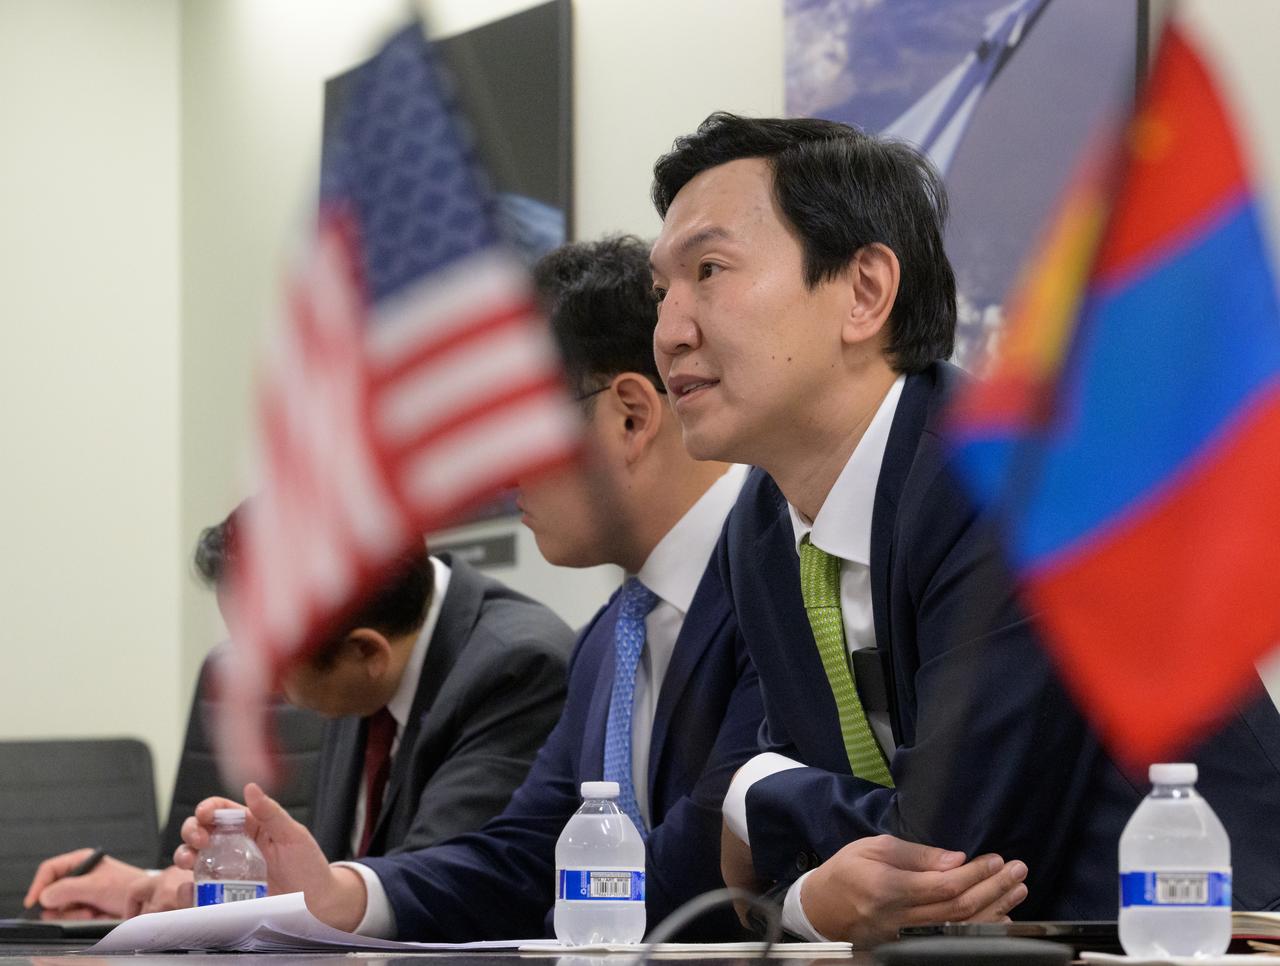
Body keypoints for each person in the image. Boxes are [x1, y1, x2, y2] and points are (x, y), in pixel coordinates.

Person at [648, 111, 1280, 941]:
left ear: (865, 292)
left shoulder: (1009, 481)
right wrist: (798, 862)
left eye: (709, 270)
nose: (667, 332)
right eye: (661, 291)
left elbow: (957, 852)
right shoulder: (762, 528)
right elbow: (859, 860)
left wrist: (754, 795)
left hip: (1201, 941)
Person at [26, 519, 574, 919]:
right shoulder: (359, 647)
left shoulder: (518, 668)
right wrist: (152, 885)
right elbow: (327, 874)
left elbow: (436, 891)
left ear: (366, 654)